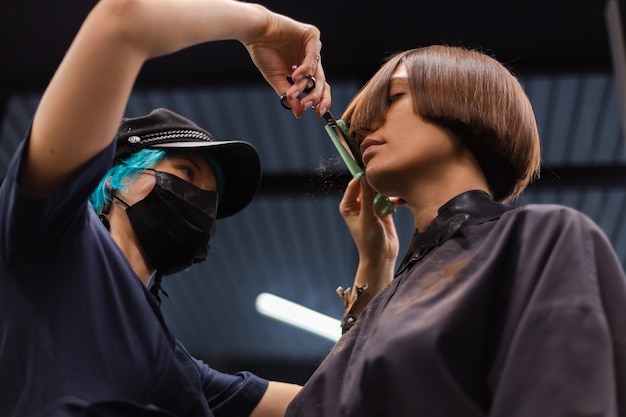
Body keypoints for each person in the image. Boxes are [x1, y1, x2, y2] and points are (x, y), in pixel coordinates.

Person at [0, 0, 331, 416]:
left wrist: (375, 262)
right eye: (187, 172)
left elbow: (334, 403)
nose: (202, 204)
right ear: (117, 174)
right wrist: (264, 27)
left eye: (212, 199)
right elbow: (122, 18)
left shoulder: (177, 368)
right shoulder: (55, 234)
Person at [285, 45, 626, 416]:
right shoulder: (386, 299)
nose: (365, 126)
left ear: (465, 105)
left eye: (395, 96)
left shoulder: (542, 240)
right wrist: (373, 266)